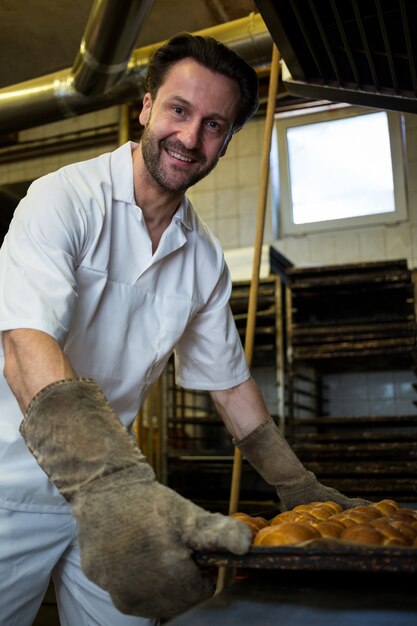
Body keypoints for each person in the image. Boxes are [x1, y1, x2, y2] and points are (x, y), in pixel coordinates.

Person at [0, 33, 366, 626]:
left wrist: (297, 485)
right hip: (13, 486)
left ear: (226, 141)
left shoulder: (203, 257)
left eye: (214, 125)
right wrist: (106, 483)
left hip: (122, 497)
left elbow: (228, 384)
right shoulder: (63, 199)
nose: (190, 138)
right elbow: (24, 347)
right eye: (179, 110)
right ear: (146, 107)